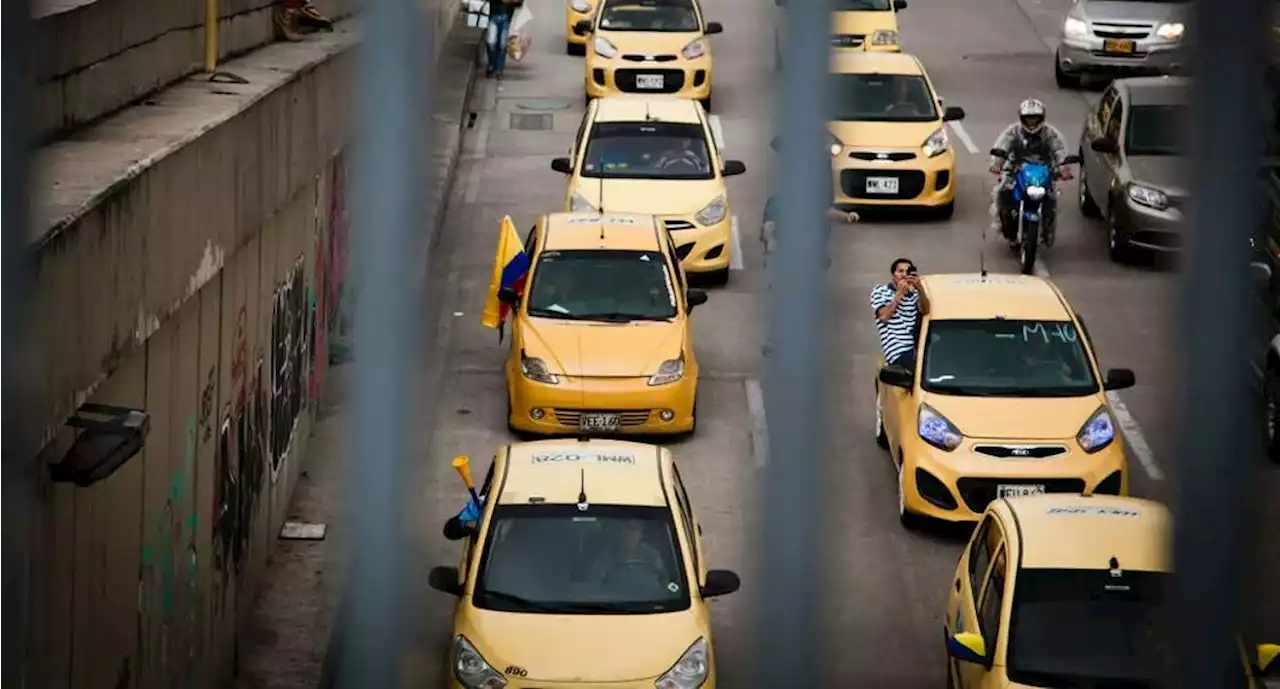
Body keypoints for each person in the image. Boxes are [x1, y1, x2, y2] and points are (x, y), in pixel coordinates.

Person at [988, 98, 1072, 244]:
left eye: (1035, 118)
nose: (1031, 122)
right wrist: (997, 164)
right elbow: (1002, 145)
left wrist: (1063, 168)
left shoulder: (1050, 134)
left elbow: (1059, 150)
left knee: (1052, 198)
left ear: (1041, 118)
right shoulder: (1013, 132)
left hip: (1043, 173)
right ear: (1022, 118)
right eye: (1028, 118)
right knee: (1002, 191)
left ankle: (1048, 229)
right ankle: (1004, 223)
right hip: (1016, 171)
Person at [870, 258, 930, 370]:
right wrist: (899, 294)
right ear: (893, 274)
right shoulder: (880, 291)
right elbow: (884, 316)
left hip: (917, 349)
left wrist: (920, 288)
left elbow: (926, 310)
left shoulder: (914, 295)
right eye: (900, 271)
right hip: (898, 350)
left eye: (907, 272)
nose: (903, 275)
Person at [485, 0, 523, 80]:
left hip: (506, 18)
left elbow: (519, 3)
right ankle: (491, 64)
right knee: (491, 42)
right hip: (494, 16)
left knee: (502, 45)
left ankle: (499, 69)